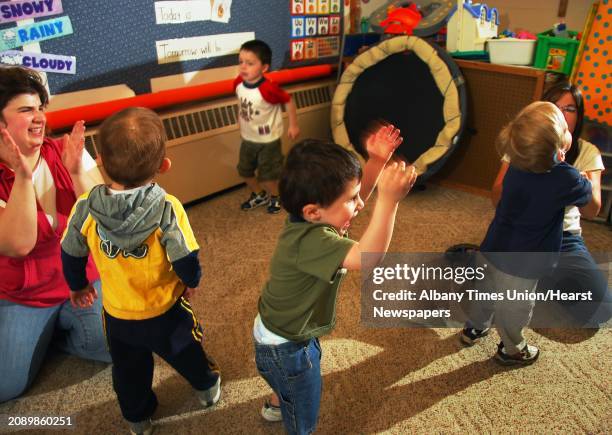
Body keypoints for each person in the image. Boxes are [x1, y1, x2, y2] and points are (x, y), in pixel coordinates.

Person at [60, 107, 220, 435]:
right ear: (164, 165)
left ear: (100, 159)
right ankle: (206, 388)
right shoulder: (167, 207)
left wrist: (77, 285)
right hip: (165, 309)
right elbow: (186, 255)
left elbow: (70, 250)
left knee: (128, 371)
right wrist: (191, 282)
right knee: (188, 350)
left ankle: (137, 419)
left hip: (118, 315)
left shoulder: (85, 206)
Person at [253, 125, 417, 435]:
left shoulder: (311, 218)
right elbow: (367, 257)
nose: (360, 204)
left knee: (284, 379)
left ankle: (277, 398)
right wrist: (389, 202)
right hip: (288, 346)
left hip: (276, 329)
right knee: (303, 407)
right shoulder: (314, 241)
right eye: (352, 198)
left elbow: (350, 198)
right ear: (314, 211)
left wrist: (376, 161)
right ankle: (289, 409)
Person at [0, 66, 110, 403]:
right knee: (8, 386)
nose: (38, 118)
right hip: (25, 295)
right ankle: (44, 331)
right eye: (25, 110)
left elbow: (106, 220)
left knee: (116, 348)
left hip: (80, 281)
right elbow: (17, 244)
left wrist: (77, 171)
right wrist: (22, 177)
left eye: (40, 108)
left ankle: (57, 336)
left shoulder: (66, 150)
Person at [461, 101, 592, 365]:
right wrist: (582, 177)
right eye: (565, 130)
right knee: (514, 308)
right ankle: (512, 348)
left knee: (484, 291)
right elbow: (586, 195)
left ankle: (475, 326)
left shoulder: (516, 165)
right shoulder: (565, 177)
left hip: (492, 246)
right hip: (524, 262)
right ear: (556, 150)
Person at [491, 81, 611, 326]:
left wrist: (577, 183)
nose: (561, 114)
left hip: (564, 237)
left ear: (578, 116)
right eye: (554, 106)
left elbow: (592, 210)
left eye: (569, 109)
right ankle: (528, 280)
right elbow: (497, 196)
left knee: (600, 310)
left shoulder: (587, 152)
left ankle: (533, 280)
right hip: (519, 227)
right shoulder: (524, 144)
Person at [234, 39, 300, 214]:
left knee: (269, 176)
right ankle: (259, 194)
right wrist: (239, 119)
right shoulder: (238, 84)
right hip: (248, 139)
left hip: (268, 140)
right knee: (244, 171)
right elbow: (241, 103)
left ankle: (276, 196)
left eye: (249, 63)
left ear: (264, 68)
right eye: (240, 62)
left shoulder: (268, 89)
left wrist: (293, 125)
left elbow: (289, 101)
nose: (243, 67)